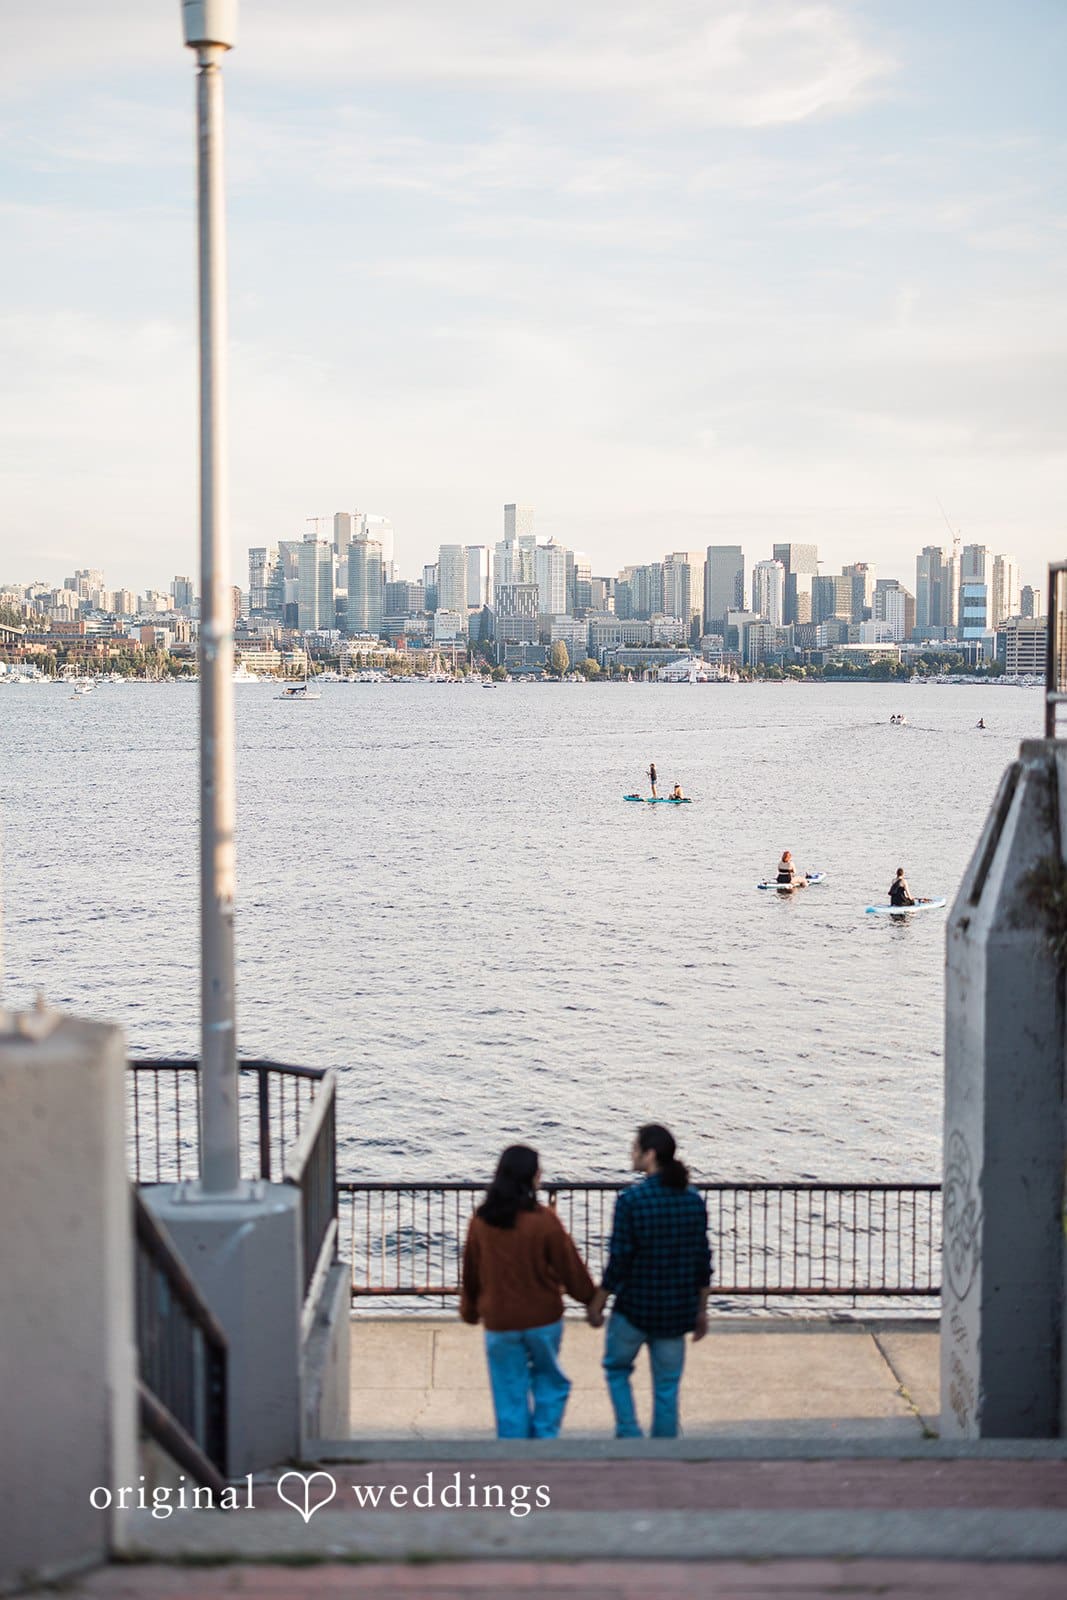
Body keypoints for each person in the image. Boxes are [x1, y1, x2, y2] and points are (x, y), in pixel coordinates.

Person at [460, 1144, 596, 1439]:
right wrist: (590, 1299)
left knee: (509, 1389)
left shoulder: (482, 1221)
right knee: (551, 1381)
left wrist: (470, 1311)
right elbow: (569, 1267)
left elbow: (471, 1271)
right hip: (542, 1319)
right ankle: (544, 1439)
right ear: (532, 1177)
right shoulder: (544, 1220)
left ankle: (514, 1451)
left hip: (500, 1320)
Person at [587, 1125, 712, 1439]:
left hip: (635, 1309)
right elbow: (702, 1262)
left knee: (616, 1369)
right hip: (675, 1312)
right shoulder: (692, 1200)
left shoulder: (631, 1200)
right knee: (667, 1386)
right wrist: (701, 1311)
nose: (631, 1154)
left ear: (650, 1155)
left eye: (635, 1148)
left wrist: (598, 1303)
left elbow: (619, 1260)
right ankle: (664, 1450)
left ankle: (629, 1434)